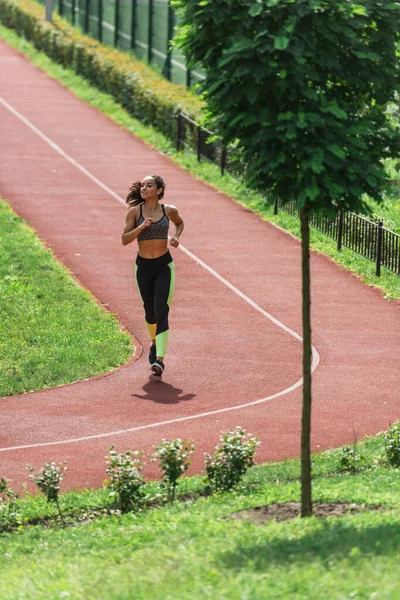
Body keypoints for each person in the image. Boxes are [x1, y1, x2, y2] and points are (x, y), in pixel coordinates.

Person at [122, 175, 184, 377]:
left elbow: (180, 224)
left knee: (161, 310)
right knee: (149, 312)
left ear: (159, 190)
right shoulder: (134, 212)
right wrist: (141, 227)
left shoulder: (169, 210)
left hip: (163, 266)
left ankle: (160, 360)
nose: (144, 188)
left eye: (149, 185)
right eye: (142, 185)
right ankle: (155, 342)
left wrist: (175, 236)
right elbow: (124, 239)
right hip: (143, 268)